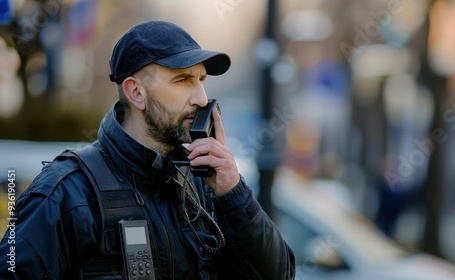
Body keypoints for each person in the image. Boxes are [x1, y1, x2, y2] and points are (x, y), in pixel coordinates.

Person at [0, 20, 295, 279]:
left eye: (201, 80)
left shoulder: (203, 185)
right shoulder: (67, 193)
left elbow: (278, 275)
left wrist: (233, 192)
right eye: (183, 80)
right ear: (136, 93)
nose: (202, 98)